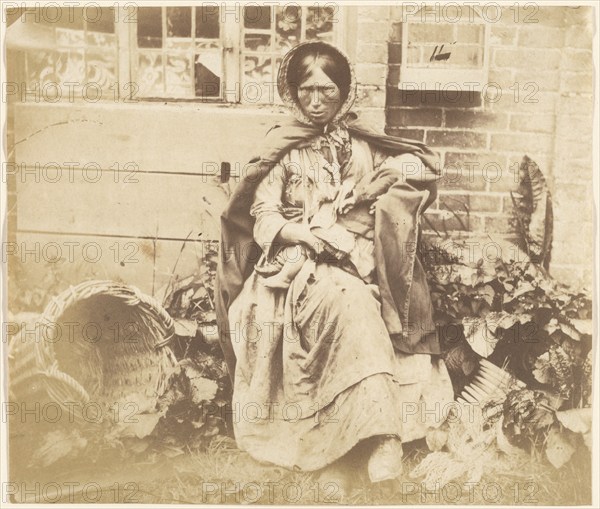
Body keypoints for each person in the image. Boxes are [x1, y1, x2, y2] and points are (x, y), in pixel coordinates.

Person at [215, 41, 454, 493]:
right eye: (307, 90)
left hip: (358, 261)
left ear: (343, 93)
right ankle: (359, 441)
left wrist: (370, 187)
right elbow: (262, 215)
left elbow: (419, 167)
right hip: (294, 266)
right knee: (346, 306)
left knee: (360, 300)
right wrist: (302, 234)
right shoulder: (281, 147)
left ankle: (376, 437)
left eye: (328, 90)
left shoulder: (362, 143)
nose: (317, 100)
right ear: (293, 91)